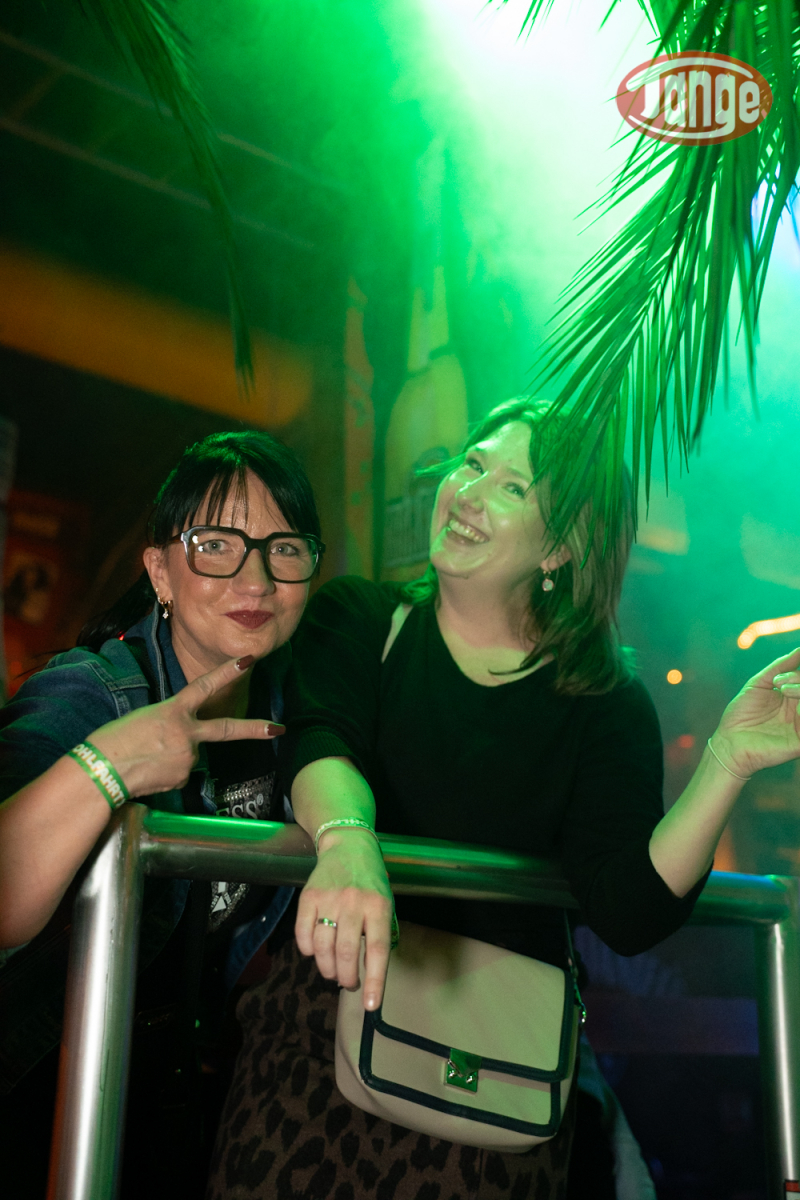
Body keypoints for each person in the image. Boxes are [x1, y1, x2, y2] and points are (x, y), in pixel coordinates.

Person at [208, 398, 800, 1200]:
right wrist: (347, 841)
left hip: (493, 1081)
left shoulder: (605, 702)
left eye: (514, 488)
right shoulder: (361, 618)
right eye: (474, 463)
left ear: (561, 547)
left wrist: (726, 762)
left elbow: (627, 908)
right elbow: (321, 742)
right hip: (322, 1044)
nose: (470, 492)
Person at [0, 430, 324, 1200]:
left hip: (176, 1112)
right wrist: (109, 764)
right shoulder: (92, 694)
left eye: (284, 549)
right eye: (216, 545)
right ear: (159, 571)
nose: (255, 578)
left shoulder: (300, 714)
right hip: (40, 1109)